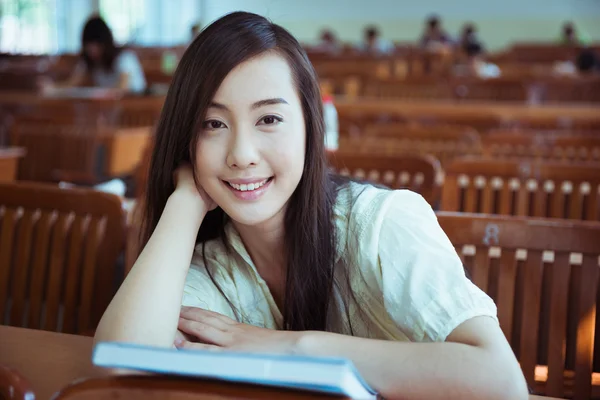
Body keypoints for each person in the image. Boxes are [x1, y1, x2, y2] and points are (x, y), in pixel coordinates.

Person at [94, 12, 528, 400]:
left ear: (309, 128)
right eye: (213, 124)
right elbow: (123, 366)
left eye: (269, 119)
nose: (242, 153)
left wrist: (296, 346)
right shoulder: (212, 263)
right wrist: (186, 200)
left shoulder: (381, 223)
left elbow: (501, 384)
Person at [42, 16, 146, 94]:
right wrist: (52, 88)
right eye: (89, 45)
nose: (92, 50)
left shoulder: (124, 58)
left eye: (96, 45)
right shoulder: (90, 61)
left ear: (105, 43)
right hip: (112, 111)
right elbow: (73, 83)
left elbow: (123, 88)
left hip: (134, 111)